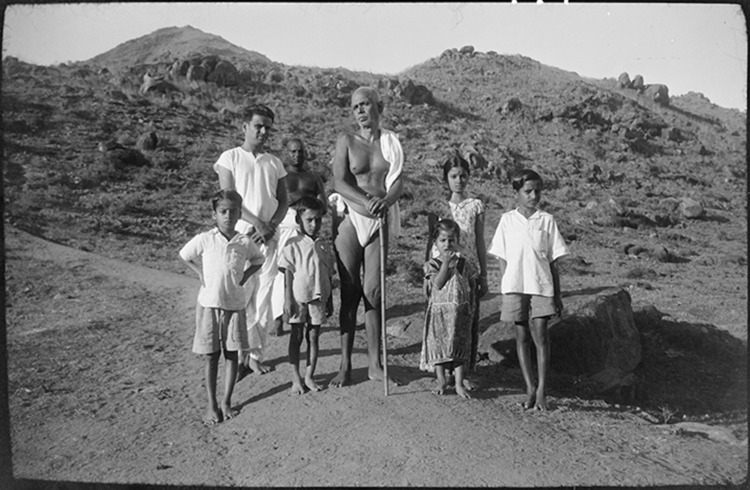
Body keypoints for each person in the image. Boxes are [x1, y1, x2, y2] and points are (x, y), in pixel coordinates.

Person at [330, 86, 404, 387]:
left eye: (366, 105)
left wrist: (384, 202)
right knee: (350, 291)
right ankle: (346, 365)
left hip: (380, 219)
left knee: (374, 293)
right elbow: (338, 182)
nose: (361, 111)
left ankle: (375, 364)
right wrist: (365, 202)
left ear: (379, 107)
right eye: (356, 107)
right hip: (351, 218)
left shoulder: (390, 142)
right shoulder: (346, 141)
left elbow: (397, 180)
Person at [179, 190, 265, 425]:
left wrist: (245, 275)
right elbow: (185, 255)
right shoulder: (206, 238)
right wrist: (200, 273)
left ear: (239, 214)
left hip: (234, 306)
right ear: (214, 213)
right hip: (209, 306)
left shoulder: (244, 241)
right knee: (211, 356)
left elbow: (259, 260)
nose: (228, 216)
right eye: (222, 211)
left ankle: (226, 401)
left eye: (233, 211)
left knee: (231, 354)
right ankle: (211, 404)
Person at [214, 104, 288, 376]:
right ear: (244, 126)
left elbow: (283, 200)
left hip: (269, 237)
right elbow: (228, 197)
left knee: (265, 295)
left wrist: (271, 226)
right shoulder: (229, 157)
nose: (263, 131)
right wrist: (256, 223)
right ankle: (236, 353)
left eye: (268, 126)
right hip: (240, 236)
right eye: (258, 125)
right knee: (240, 294)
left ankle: (255, 354)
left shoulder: (274, 162)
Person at [487, 169, 570, 411]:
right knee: (521, 336)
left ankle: (543, 389)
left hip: (541, 285)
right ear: (517, 193)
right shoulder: (507, 220)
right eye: (528, 191)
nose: (533, 196)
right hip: (515, 286)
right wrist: (507, 281)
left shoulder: (546, 221)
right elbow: (501, 255)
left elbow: (553, 260)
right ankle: (529, 387)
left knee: (541, 335)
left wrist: (557, 293)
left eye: (537, 191)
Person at [426, 153, 488, 391]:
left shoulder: (475, 205)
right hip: (440, 269)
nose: (459, 180)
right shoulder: (438, 207)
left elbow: (479, 241)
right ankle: (442, 372)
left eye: (463, 175)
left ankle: (463, 372)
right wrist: (427, 275)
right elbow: (430, 241)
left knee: (466, 320)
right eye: (453, 176)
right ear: (446, 178)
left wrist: (482, 274)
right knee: (441, 320)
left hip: (467, 269)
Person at [270, 138, 328, 337]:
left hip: (305, 226)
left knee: (304, 273)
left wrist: (310, 211)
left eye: (300, 151)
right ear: (286, 153)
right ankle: (278, 317)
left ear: (306, 152)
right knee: (280, 274)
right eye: (293, 151)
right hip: (283, 224)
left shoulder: (313, 177)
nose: (297, 155)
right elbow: (272, 201)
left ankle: (303, 315)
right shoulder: (280, 175)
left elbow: (323, 204)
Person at [278, 196, 334, 395]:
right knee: (296, 337)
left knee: (314, 336)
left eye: (318, 219)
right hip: (297, 298)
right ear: (299, 220)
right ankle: (296, 379)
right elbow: (287, 274)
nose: (314, 224)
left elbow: (328, 273)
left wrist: (330, 300)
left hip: (318, 298)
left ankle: (309, 376)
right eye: (309, 219)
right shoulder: (292, 245)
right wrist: (287, 300)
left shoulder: (323, 245)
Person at [420, 219, 474, 399]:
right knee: (439, 347)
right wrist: (445, 263)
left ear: (457, 240)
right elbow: (438, 283)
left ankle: (458, 382)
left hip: (459, 313)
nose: (447, 244)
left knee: (458, 347)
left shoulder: (464, 263)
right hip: (439, 314)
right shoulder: (433, 264)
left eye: (451, 240)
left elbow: (471, 283)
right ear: (435, 242)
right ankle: (441, 380)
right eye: (442, 240)